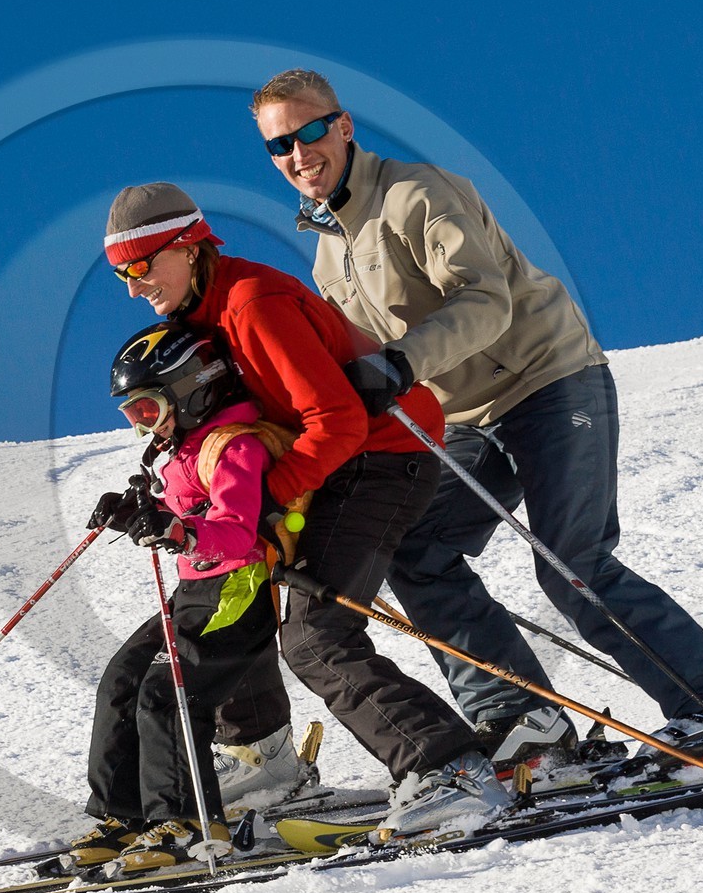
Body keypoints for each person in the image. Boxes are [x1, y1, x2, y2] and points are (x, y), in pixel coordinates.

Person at [249, 68, 703, 771]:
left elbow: (485, 300)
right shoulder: (327, 252)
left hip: (549, 381)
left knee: (572, 565)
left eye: (310, 130)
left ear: (344, 126)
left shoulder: (418, 193)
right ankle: (522, 719)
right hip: (463, 416)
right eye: (279, 144)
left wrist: (402, 364)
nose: (297, 153)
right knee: (416, 548)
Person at [104, 183, 511, 835]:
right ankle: (261, 758)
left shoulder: (252, 304)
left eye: (139, 266)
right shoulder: (197, 317)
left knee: (316, 636)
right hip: (330, 466)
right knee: (235, 595)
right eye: (120, 273)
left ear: (185, 246)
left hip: (382, 455)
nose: (131, 286)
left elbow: (339, 420)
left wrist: (268, 498)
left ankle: (449, 771)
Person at [65, 320, 280, 874]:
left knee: (167, 692)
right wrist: (138, 514)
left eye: (146, 410)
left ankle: (186, 821)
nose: (142, 427)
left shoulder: (237, 446)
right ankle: (128, 813)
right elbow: (183, 516)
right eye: (132, 415)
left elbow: (235, 530)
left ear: (190, 388)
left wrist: (179, 531)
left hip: (238, 587)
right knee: (122, 681)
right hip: (196, 589)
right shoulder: (185, 452)